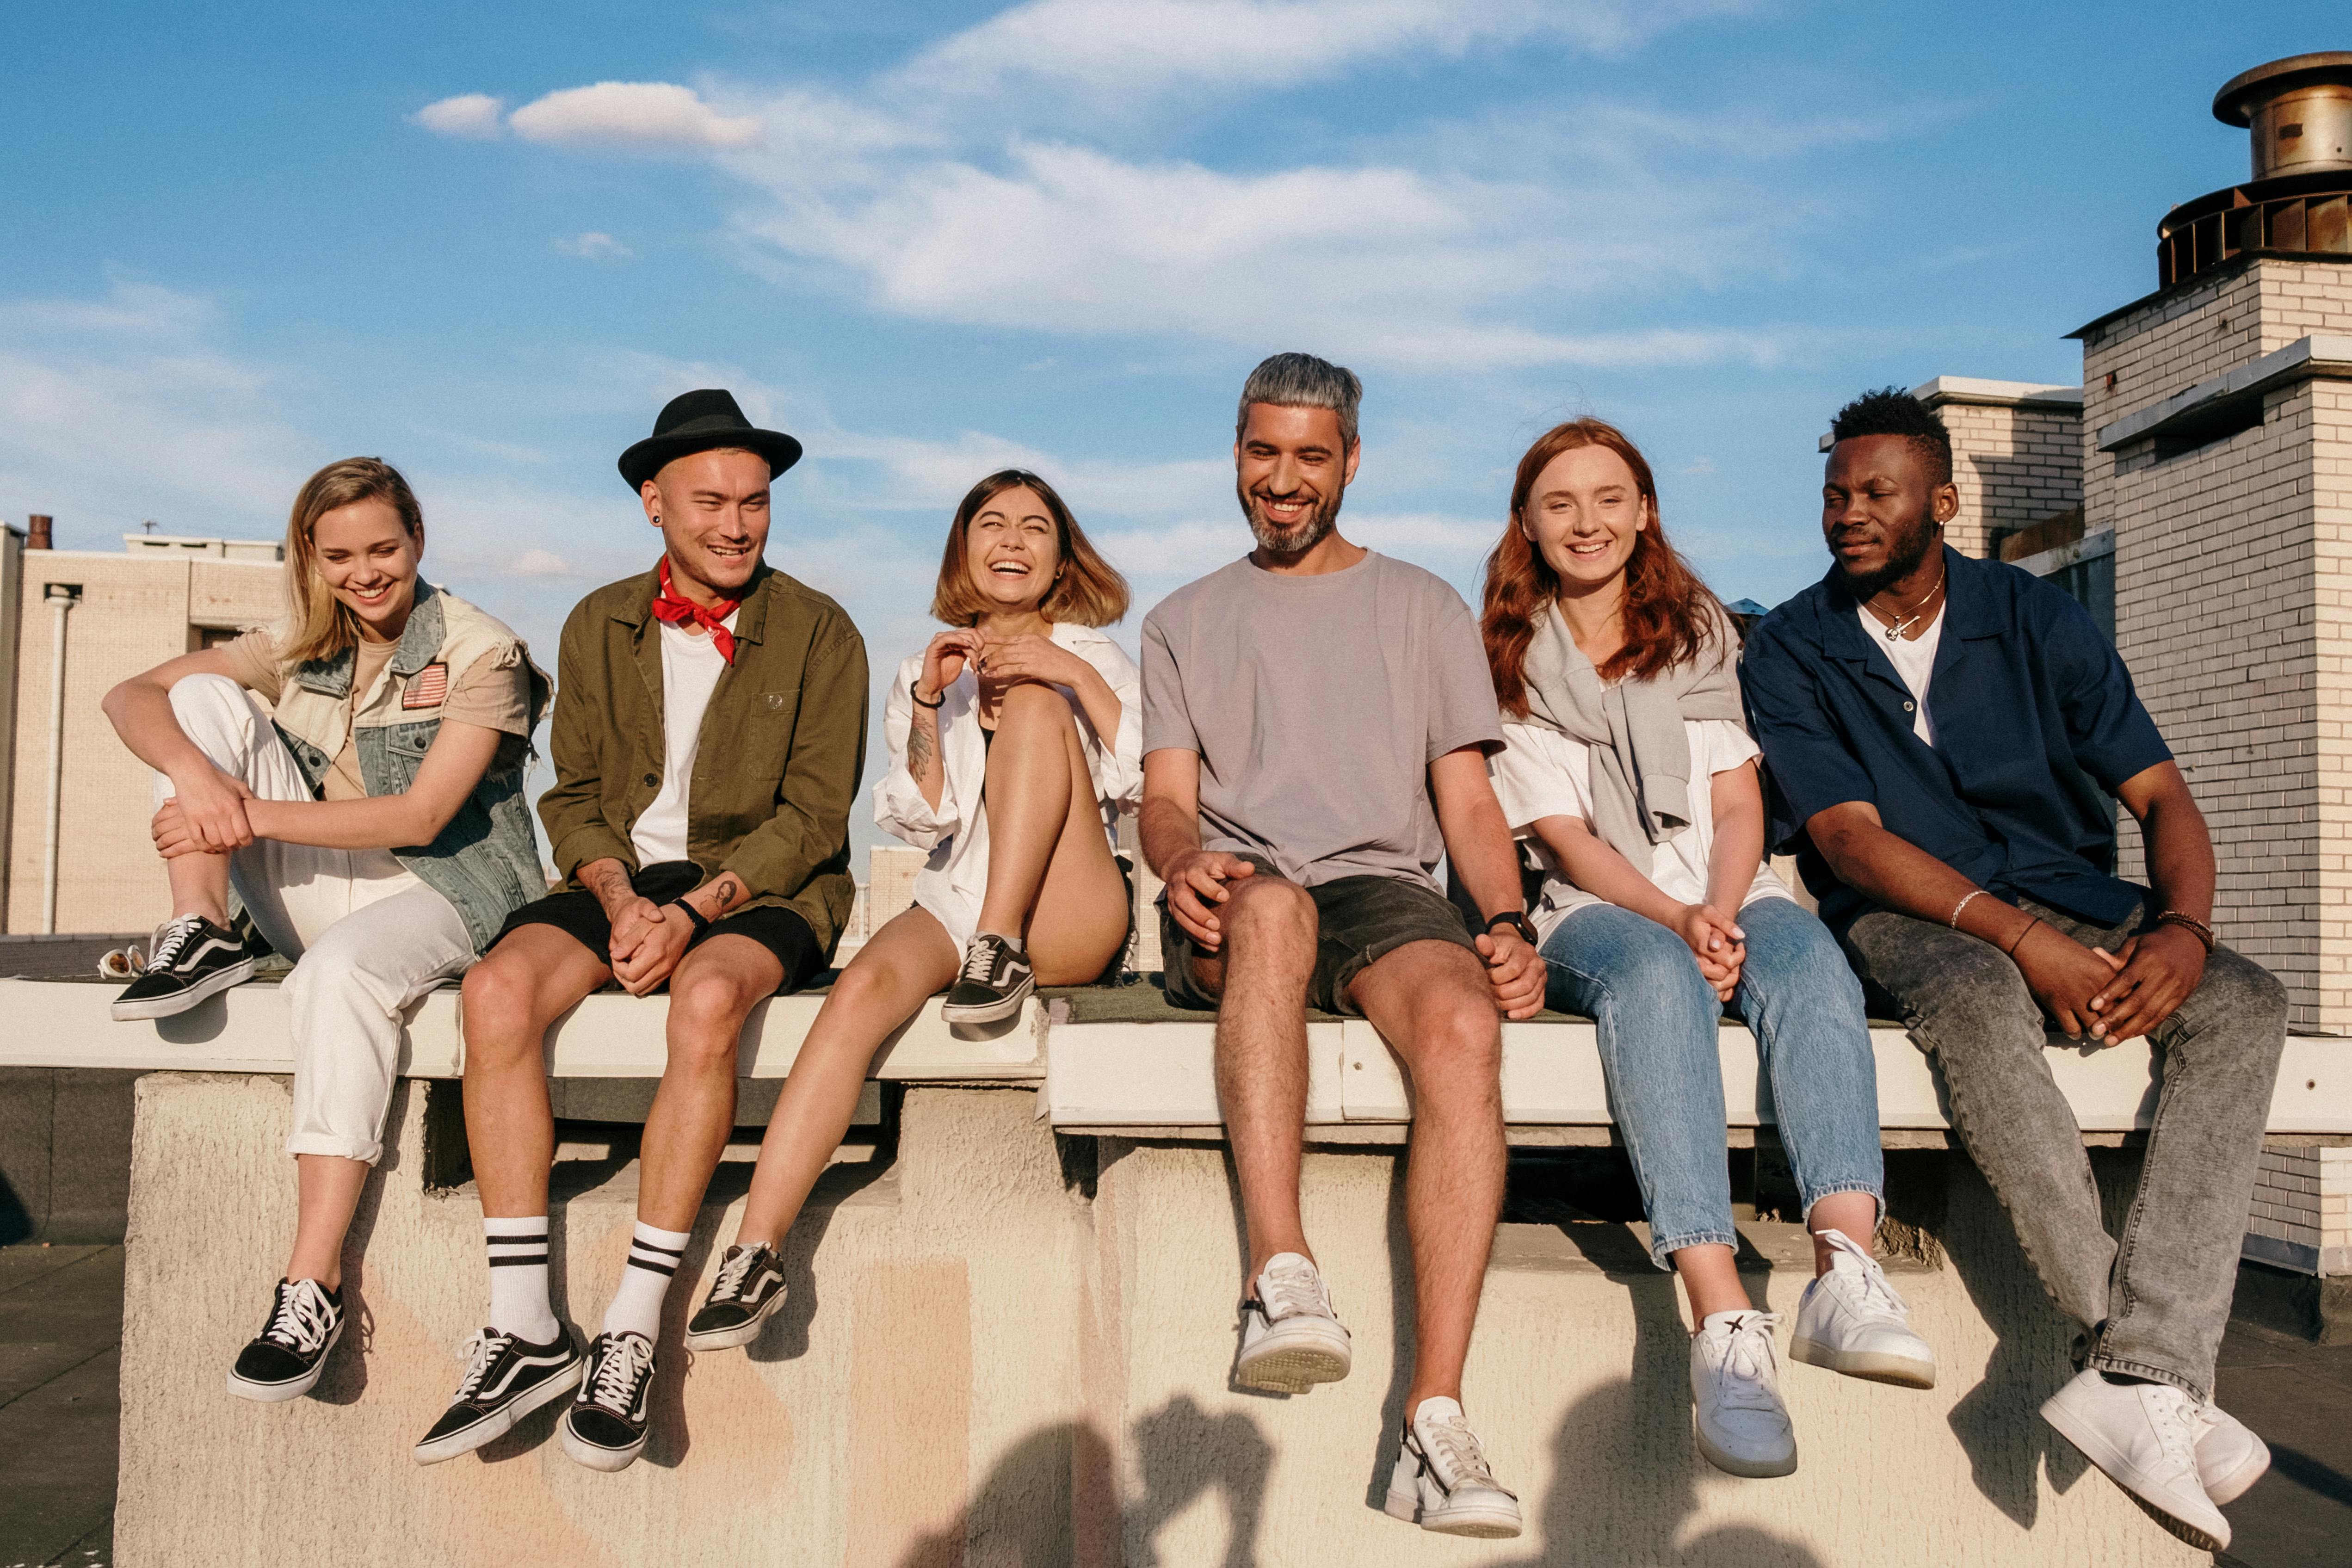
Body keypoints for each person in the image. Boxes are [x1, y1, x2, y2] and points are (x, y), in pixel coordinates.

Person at [1743, 388, 2285, 1552]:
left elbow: (2160, 796)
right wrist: (2022, 939)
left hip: (2073, 890)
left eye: (1875, 493)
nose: (1847, 513)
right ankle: (2145, 1371)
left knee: (2243, 999)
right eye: (1833, 494)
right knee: (1981, 997)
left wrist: (2179, 931)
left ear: (1940, 501)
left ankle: (2142, 1376)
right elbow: (1845, 840)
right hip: (1905, 912)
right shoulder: (1790, 644)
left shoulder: (2035, 621)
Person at [413, 389, 868, 1472]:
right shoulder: (595, 620)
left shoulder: (821, 630)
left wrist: (695, 910)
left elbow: (814, 816)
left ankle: (632, 1322)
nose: (736, 524)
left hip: (765, 885)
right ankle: (524, 1324)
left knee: (707, 1001)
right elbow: (570, 798)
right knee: (495, 994)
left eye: (755, 502)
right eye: (710, 501)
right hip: (628, 877)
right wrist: (621, 902)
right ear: (652, 503)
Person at [1477, 418, 1935, 1481]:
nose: (1586, 522)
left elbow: (1737, 806)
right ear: (1529, 527)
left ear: (1643, 510)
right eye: (1560, 504)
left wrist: (1721, 912)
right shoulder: (1508, 657)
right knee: (1650, 982)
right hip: (1595, 903)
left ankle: (1843, 1266)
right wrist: (1676, 925)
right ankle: (1721, 1323)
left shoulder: (1696, 632)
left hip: (1721, 885)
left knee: (1810, 961)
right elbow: (1564, 841)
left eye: (1608, 498)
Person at [1140, 352, 1541, 1540]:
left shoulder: (1420, 607)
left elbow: (1465, 803)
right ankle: (1279, 1280)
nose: (1282, 478)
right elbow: (1168, 800)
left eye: (1309, 457)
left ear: (1349, 463)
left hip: (1377, 884)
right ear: (1235, 454)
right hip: (1240, 889)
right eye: (1262, 452)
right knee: (1268, 908)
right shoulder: (1180, 620)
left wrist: (1506, 919)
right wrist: (1176, 865)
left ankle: (1434, 1419)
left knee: (1465, 1022)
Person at [100, 457, 548, 1406]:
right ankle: (200, 928)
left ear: (418, 539)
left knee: (337, 975)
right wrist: (205, 782)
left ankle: (312, 1283)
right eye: (339, 555)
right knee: (194, 704)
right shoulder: (304, 642)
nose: (365, 573)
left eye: (383, 548)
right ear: (312, 556)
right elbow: (126, 698)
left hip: (445, 890)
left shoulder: (481, 651)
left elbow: (422, 820)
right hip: (323, 876)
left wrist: (242, 817)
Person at [682, 469, 1139, 1352]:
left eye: (1034, 527)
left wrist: (1066, 670)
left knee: (1040, 705)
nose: (1011, 541)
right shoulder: (923, 671)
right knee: (858, 995)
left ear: (1060, 556)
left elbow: (1147, 778)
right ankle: (756, 1249)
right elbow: (921, 815)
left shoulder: (1096, 655)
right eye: (992, 524)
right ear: (963, 548)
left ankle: (999, 948)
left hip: (1067, 907)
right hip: (957, 897)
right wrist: (932, 700)